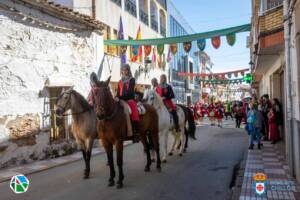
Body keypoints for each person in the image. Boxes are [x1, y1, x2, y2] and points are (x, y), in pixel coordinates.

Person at [116, 64, 140, 143]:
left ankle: (136, 133)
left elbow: (130, 92)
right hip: (121, 100)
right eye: (123, 70)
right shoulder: (119, 81)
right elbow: (118, 93)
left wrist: (121, 98)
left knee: (134, 112)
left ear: (128, 70)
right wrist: (116, 97)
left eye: (126, 70)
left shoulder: (132, 80)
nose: (124, 71)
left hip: (129, 100)